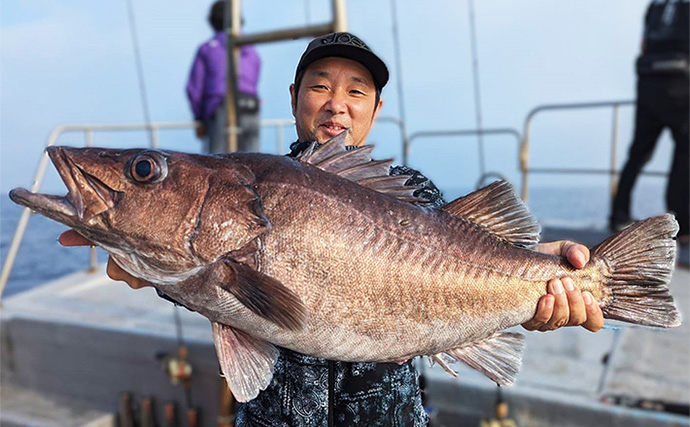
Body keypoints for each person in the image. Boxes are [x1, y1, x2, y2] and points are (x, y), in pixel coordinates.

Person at [60, 32, 604, 427]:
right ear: (295, 96)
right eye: (320, 86)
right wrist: (150, 268)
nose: (336, 104)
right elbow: (220, 286)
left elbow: (474, 260)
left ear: (377, 108)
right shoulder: (253, 180)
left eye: (356, 91)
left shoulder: (414, 192)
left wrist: (547, 275)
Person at [610, 0, 688, 244]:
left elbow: (644, 44)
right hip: (682, 85)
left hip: (649, 87)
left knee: (637, 153)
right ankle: (681, 224)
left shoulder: (656, 6)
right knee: (684, 153)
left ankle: (618, 215)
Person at [186, 0, 261, 154]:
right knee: (253, 164)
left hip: (220, 107)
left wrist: (199, 119)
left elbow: (194, 89)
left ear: (212, 21)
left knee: (217, 164)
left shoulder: (207, 49)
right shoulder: (250, 48)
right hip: (251, 107)